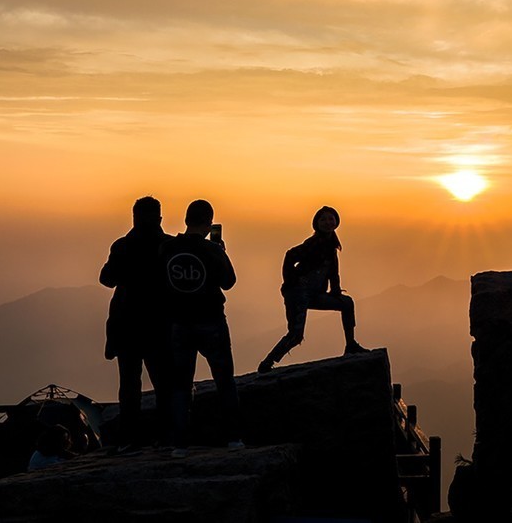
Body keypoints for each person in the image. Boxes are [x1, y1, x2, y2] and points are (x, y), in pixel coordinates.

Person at [161, 199, 243, 457]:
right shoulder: (211, 250)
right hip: (211, 321)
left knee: (181, 385)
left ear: (186, 220)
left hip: (179, 323)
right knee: (224, 380)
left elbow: (160, 283)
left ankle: (180, 445)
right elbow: (229, 282)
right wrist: (222, 251)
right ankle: (233, 438)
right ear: (209, 222)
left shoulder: (167, 249)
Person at [99, 195, 172, 452]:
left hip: (127, 325)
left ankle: (130, 438)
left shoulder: (121, 247)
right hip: (159, 325)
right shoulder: (169, 246)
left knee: (129, 384)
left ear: (134, 217)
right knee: (164, 383)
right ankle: (167, 435)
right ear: (159, 218)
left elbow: (106, 279)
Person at [257, 206, 369, 373]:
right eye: (323, 219)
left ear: (336, 222)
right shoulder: (314, 243)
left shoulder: (331, 246)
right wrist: (293, 280)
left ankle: (351, 345)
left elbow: (333, 273)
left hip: (315, 293)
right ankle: (267, 363)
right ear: (316, 223)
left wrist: (336, 291)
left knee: (347, 303)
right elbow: (290, 255)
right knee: (295, 334)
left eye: (330, 218)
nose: (327, 222)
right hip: (298, 293)